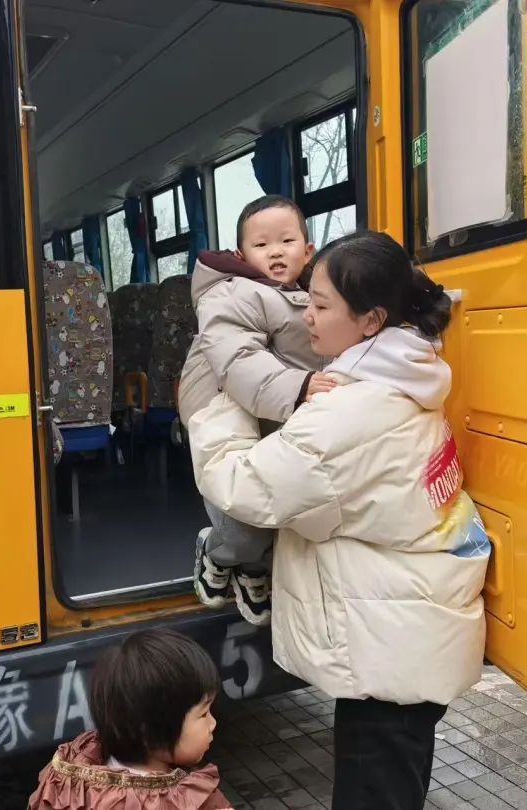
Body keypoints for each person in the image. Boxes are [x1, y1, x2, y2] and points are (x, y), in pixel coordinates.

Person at [188, 231, 491, 810]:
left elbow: (241, 484)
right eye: (307, 298)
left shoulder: (350, 412)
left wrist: (215, 410)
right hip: (405, 628)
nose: (308, 317)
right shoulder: (410, 369)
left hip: (393, 640)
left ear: (372, 319)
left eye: (322, 305)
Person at [178, 195, 333, 626]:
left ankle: (250, 569)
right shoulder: (231, 292)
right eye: (261, 245)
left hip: (279, 408)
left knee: (284, 502)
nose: (276, 251)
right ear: (240, 255)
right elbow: (238, 358)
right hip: (222, 406)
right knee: (242, 511)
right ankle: (219, 551)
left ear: (308, 249)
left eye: (287, 240)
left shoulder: (316, 296)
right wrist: (297, 386)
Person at [28, 628, 231, 810]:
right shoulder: (187, 800)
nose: (213, 723)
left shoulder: (67, 786)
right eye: (203, 714)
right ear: (148, 730)